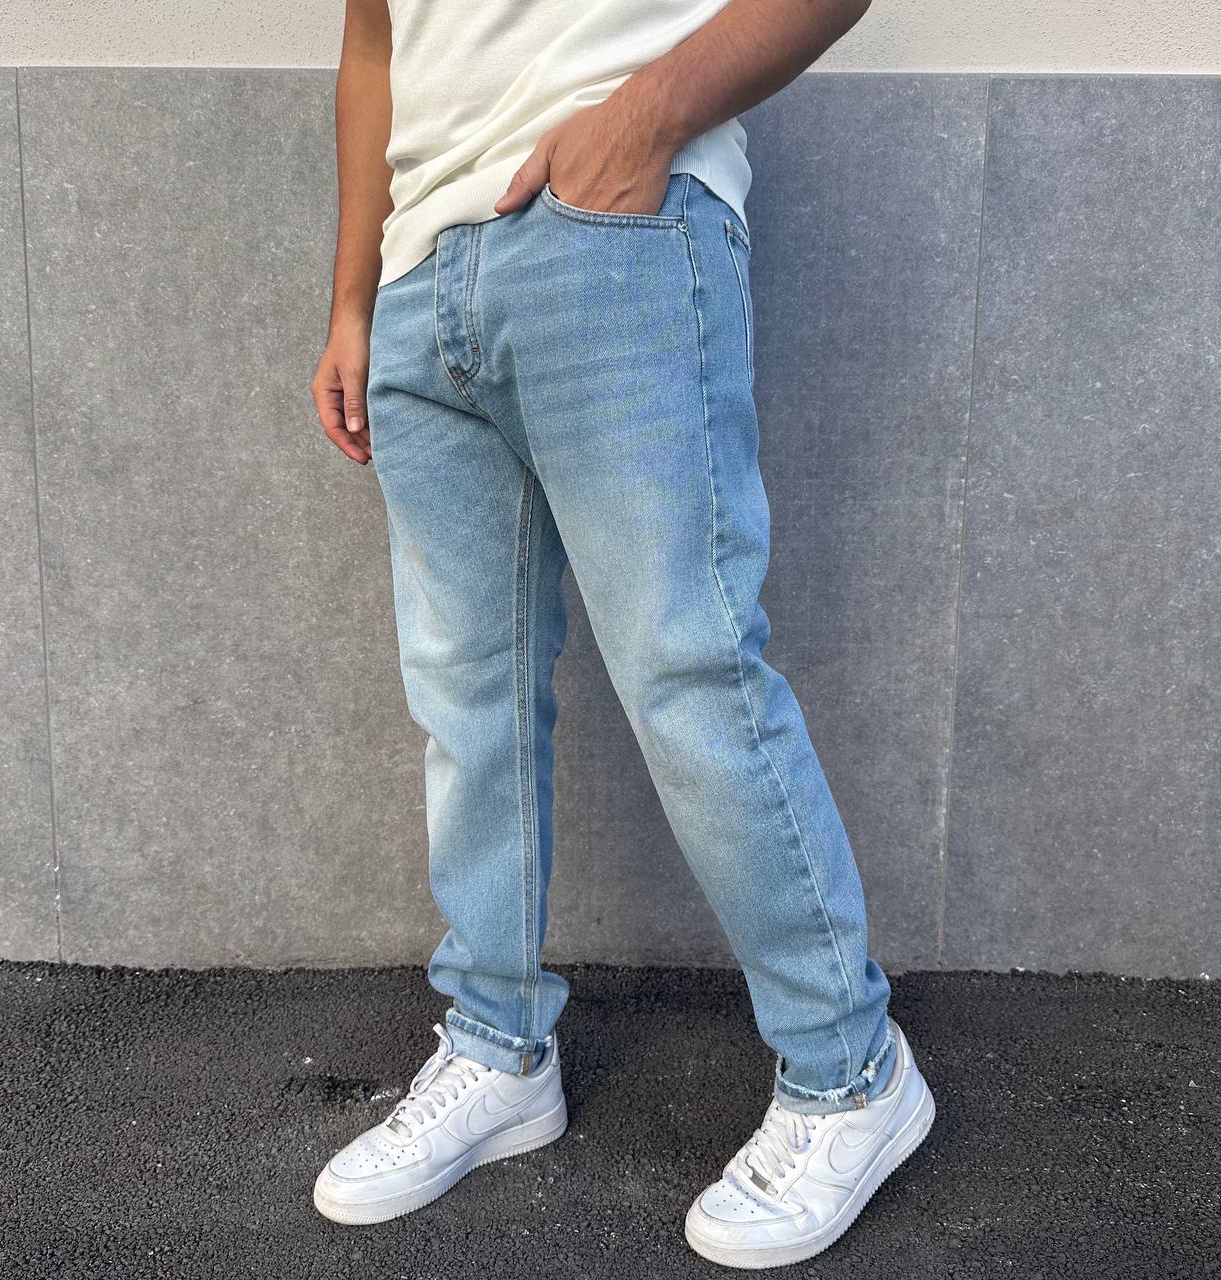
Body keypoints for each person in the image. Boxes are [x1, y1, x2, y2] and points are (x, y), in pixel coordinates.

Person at [309, 0, 935, 1266]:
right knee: (465, 700)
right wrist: (354, 297)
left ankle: (850, 1072)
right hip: (422, 276)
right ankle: (496, 1049)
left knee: (689, 671)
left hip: (610, 230)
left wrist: (645, 117)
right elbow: (372, 41)